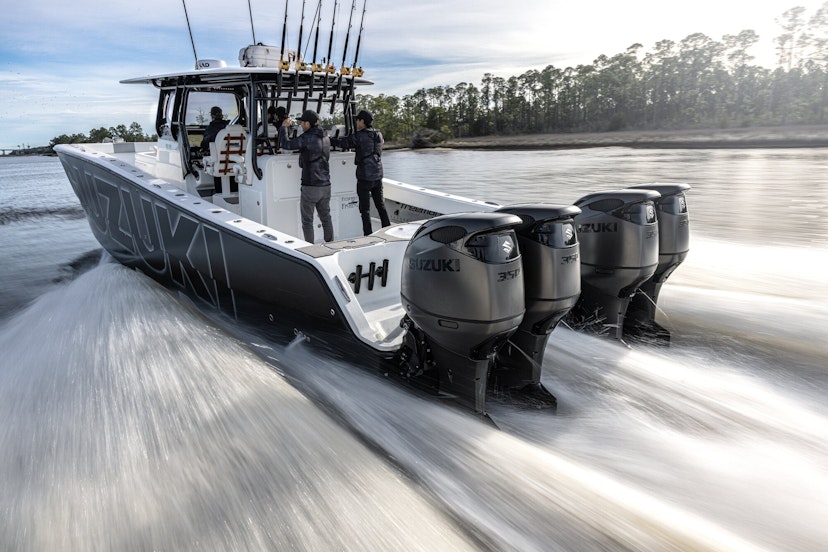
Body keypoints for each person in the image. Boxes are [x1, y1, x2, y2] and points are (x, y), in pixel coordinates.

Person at [331, 110, 390, 236]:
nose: (357, 122)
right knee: (380, 205)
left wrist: (329, 140)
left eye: (358, 120)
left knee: (365, 209)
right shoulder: (378, 134)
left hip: (364, 177)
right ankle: (388, 231)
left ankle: (368, 234)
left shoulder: (359, 136)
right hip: (378, 174)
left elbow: (343, 143)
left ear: (362, 121)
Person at [279, 109, 334, 243]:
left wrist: (283, 128)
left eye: (302, 123)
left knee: (307, 221)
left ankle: (310, 247)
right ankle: (330, 243)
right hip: (326, 185)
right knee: (326, 217)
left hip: (310, 185)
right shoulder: (326, 136)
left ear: (308, 123)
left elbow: (286, 144)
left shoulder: (306, 138)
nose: (301, 125)